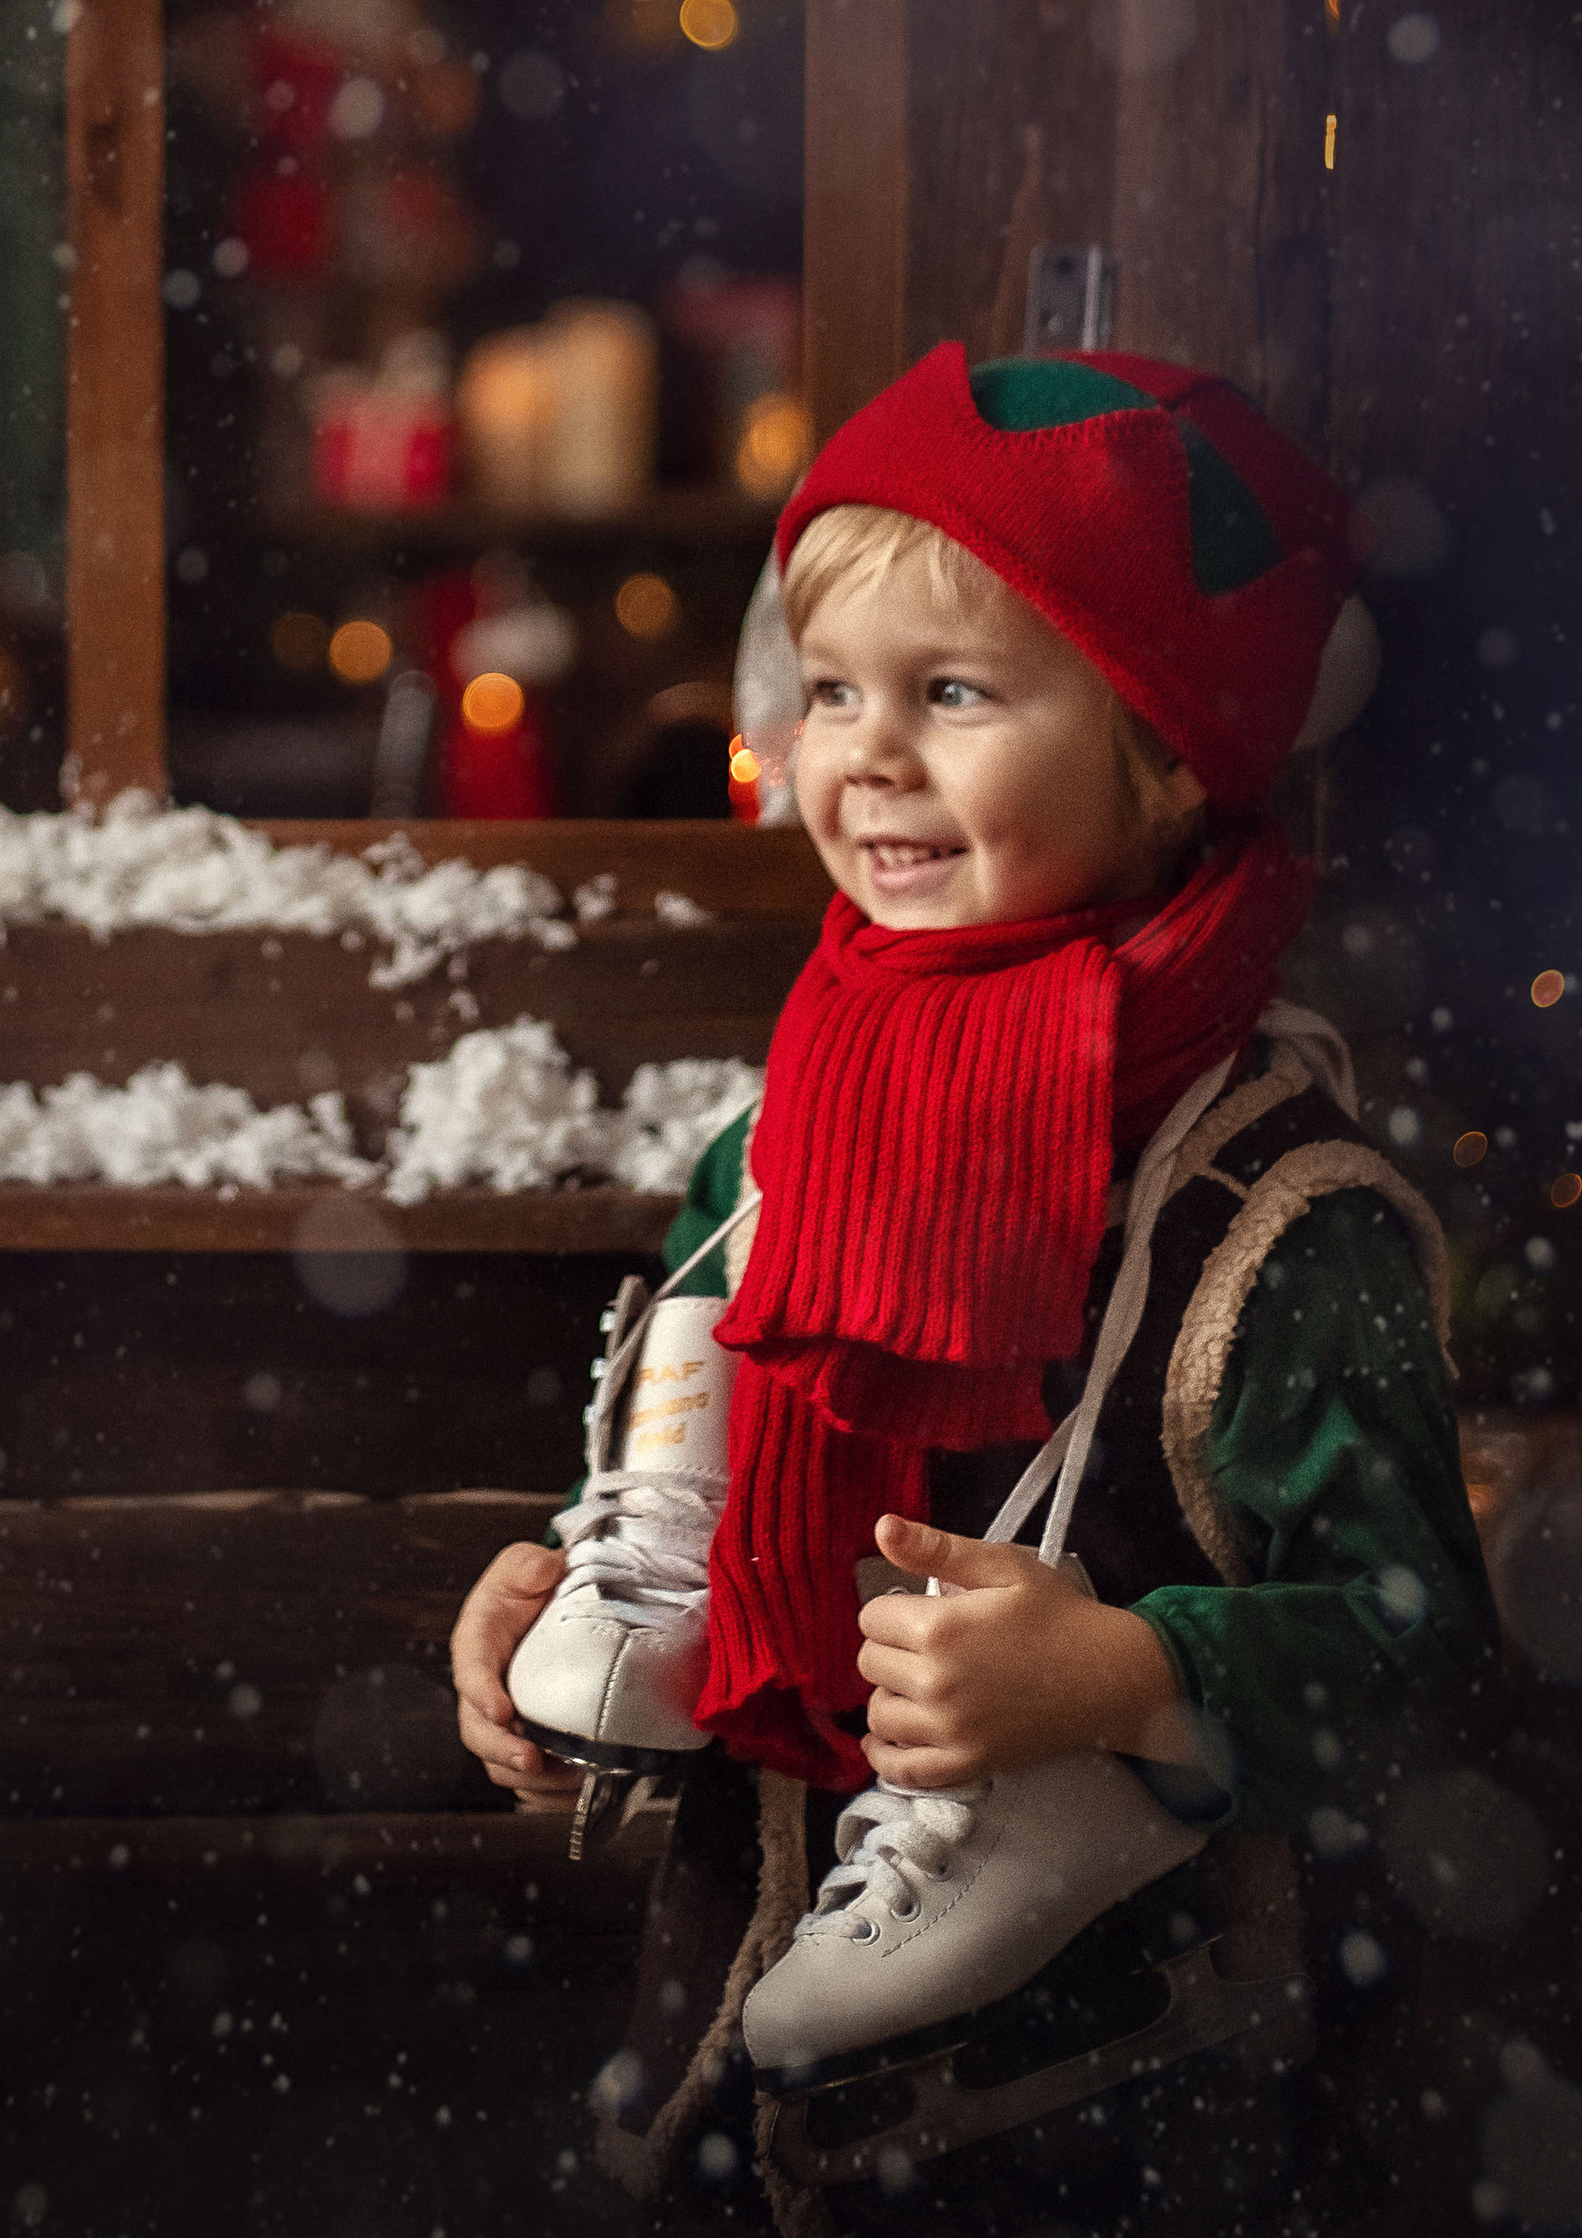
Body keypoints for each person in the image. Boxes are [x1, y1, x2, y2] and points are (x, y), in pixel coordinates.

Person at [448, 346, 1494, 2236]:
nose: (864, 751)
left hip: (1113, 2114)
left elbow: (1433, 1679)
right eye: (831, 689)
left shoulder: (1284, 1220)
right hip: (731, 2047)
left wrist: (1136, 1672)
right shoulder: (777, 1138)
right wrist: (551, 1612)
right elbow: (692, 1480)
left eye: (951, 693)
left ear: (1174, 754)